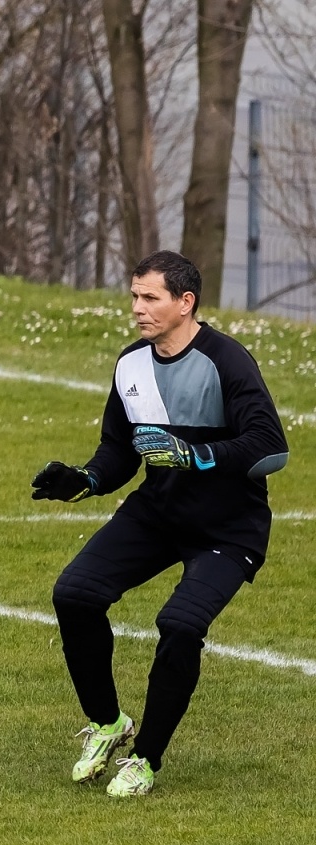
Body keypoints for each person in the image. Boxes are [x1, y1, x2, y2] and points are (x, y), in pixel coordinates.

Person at [31, 250, 288, 797]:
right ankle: (107, 725)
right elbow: (120, 451)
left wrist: (196, 456)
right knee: (74, 595)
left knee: (180, 626)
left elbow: (270, 447)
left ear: (184, 302)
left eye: (150, 298)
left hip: (228, 528)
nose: (138, 309)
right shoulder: (131, 364)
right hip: (157, 513)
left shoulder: (228, 361)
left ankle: (145, 759)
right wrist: (86, 479)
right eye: (134, 296)